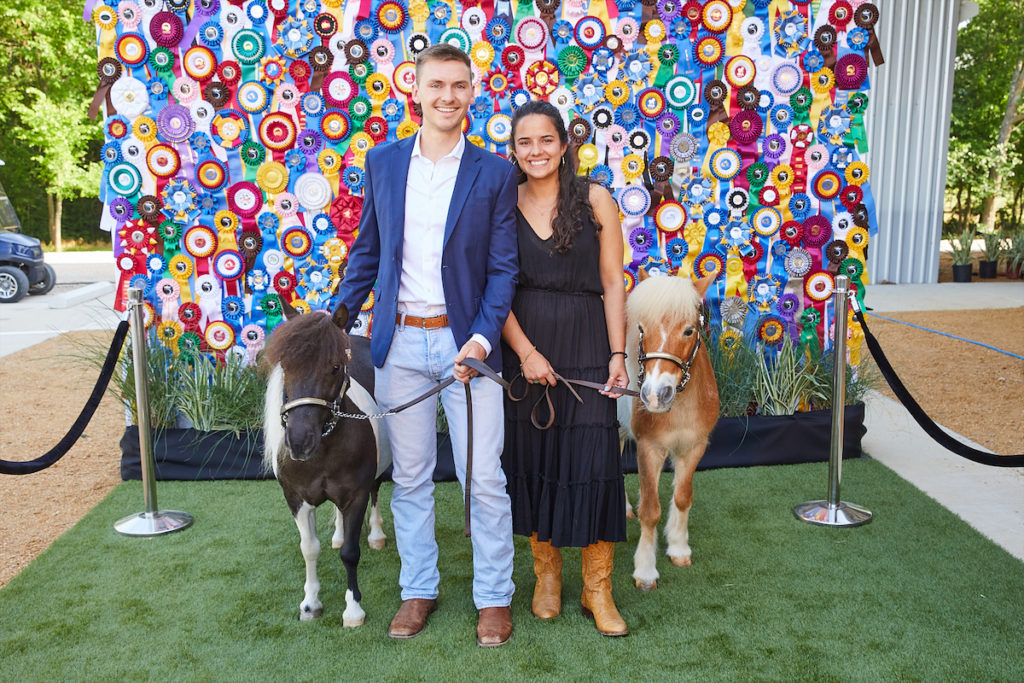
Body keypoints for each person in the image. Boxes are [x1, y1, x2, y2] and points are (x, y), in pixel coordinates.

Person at [333, 44, 519, 648]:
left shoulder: (494, 171)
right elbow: (368, 250)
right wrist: (338, 319)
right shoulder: (384, 162)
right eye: (436, 85)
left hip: (468, 349)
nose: (448, 96)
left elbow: (502, 270)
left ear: (472, 92)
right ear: (414, 89)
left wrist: (482, 340)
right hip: (399, 347)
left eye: (459, 86)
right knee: (410, 477)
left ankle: (494, 597)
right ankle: (419, 588)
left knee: (483, 477)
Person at [499, 100, 630, 636]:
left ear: (564, 144)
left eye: (546, 140)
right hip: (524, 344)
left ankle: (598, 588)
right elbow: (493, 289)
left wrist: (619, 354)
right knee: (536, 456)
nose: (536, 151)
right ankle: (546, 577)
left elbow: (614, 282)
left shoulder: (595, 198)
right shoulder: (500, 202)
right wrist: (525, 352)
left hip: (587, 340)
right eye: (525, 142)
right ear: (514, 149)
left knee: (594, 458)